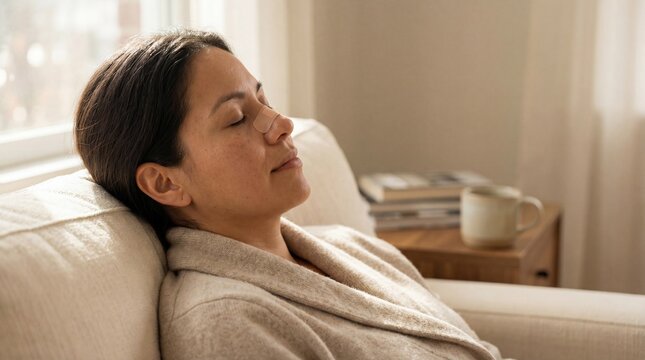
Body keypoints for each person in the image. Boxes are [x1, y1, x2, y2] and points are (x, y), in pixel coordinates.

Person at [75, 29, 505, 360]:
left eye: (263, 99)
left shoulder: (348, 246)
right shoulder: (227, 325)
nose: (281, 123)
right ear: (166, 183)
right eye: (237, 118)